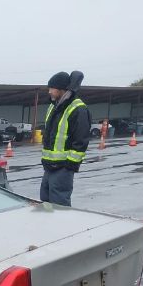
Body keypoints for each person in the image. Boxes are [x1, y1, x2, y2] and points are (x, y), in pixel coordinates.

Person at [40, 71, 91, 206]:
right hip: (49, 166)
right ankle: (47, 226)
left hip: (63, 167)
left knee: (59, 204)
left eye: (52, 88)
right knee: (45, 200)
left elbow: (81, 141)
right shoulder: (54, 106)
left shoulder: (78, 109)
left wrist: (70, 165)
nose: (49, 92)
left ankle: (62, 227)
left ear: (61, 89)